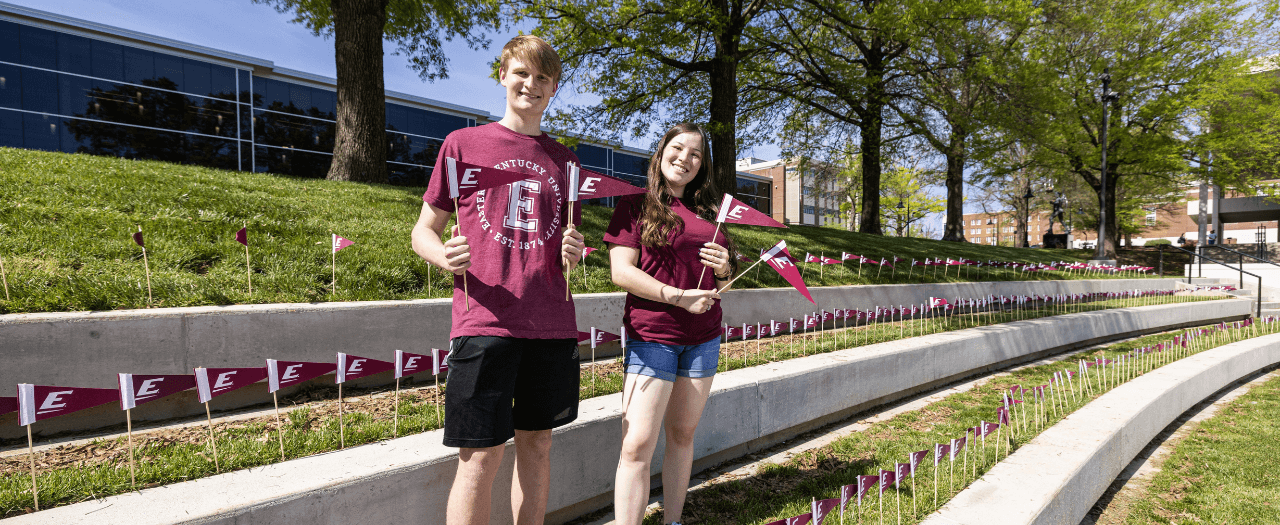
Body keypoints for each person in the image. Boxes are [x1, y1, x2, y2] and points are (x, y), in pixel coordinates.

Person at [411, 35, 585, 525]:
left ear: (554, 90)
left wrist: (575, 253)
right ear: (503, 75)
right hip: (484, 321)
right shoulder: (463, 145)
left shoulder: (566, 162)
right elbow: (423, 231)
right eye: (521, 73)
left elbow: (566, 247)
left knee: (539, 447)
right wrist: (445, 257)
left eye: (543, 78)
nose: (530, 84)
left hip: (551, 324)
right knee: (480, 456)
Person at [603, 122, 738, 525]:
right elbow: (621, 273)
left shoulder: (712, 214)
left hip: (703, 339)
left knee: (682, 436)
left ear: (703, 165)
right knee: (637, 444)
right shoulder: (635, 205)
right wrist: (676, 296)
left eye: (696, 154)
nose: (685, 159)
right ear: (661, 153)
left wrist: (724, 268)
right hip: (653, 336)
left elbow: (724, 285)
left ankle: (672, 520)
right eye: (678, 149)